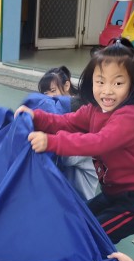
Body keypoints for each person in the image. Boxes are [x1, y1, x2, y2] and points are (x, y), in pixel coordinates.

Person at [14, 39, 134, 242]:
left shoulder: (131, 116)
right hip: (115, 193)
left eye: (118, 83)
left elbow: (98, 142)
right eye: (100, 82)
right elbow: (67, 122)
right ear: (91, 81)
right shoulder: (95, 109)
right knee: (77, 221)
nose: (107, 90)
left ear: (133, 84)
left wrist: (51, 142)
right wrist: (37, 117)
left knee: (90, 237)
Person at [36, 65, 98, 200]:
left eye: (53, 90)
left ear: (66, 86)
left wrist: (46, 140)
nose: (50, 96)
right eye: (45, 93)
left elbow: (69, 155)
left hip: (80, 199)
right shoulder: (59, 110)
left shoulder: (79, 111)